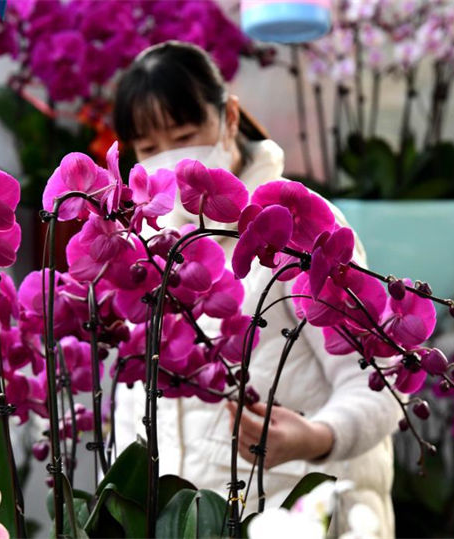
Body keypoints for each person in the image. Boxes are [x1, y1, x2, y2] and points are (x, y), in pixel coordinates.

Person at [111, 41, 401, 538]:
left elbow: (381, 379)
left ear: (229, 116)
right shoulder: (141, 248)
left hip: (300, 517)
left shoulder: (301, 228)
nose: (173, 159)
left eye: (184, 134)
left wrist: (316, 437)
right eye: (151, 147)